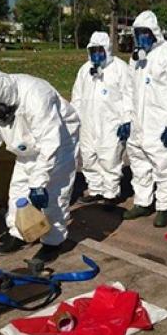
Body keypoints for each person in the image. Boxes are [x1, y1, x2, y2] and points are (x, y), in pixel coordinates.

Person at [0, 71, 80, 263]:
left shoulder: (37, 96)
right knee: (18, 191)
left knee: (54, 193)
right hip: (26, 146)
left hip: (59, 141)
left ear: (8, 98)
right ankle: (19, 233)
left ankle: (53, 242)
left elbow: (50, 143)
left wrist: (39, 182)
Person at [124, 10, 167, 228]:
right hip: (138, 125)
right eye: (137, 33)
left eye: (145, 32)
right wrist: (126, 119)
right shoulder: (136, 58)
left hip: (159, 124)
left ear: (154, 32)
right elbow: (129, 91)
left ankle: (163, 206)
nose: (141, 37)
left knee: (164, 167)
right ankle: (143, 202)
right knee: (139, 164)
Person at [71, 31, 133, 208]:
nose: (97, 55)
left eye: (100, 50)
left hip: (111, 123)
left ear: (107, 50)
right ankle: (95, 189)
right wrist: (75, 118)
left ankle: (110, 193)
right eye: (93, 51)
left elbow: (129, 95)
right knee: (89, 157)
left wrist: (126, 119)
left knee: (110, 157)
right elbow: (77, 96)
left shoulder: (120, 68)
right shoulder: (85, 70)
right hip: (88, 122)